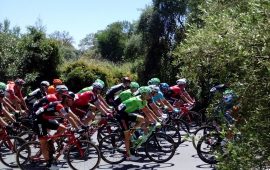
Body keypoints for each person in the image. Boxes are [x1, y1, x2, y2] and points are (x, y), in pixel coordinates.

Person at [34, 91, 80, 168]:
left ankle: (51, 142)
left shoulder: (65, 106)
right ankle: (49, 164)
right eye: (72, 99)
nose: (74, 101)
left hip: (45, 119)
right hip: (38, 120)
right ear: (67, 99)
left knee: (62, 128)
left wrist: (82, 125)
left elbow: (73, 116)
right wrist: (77, 129)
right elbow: (68, 117)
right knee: (43, 143)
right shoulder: (59, 106)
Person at [116, 86, 157, 160]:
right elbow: (145, 111)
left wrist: (155, 120)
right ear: (144, 94)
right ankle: (128, 155)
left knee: (141, 119)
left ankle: (132, 132)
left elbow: (148, 110)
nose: (150, 95)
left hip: (126, 113)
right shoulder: (138, 100)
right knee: (127, 137)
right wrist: (153, 120)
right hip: (121, 114)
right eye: (149, 94)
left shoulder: (144, 100)